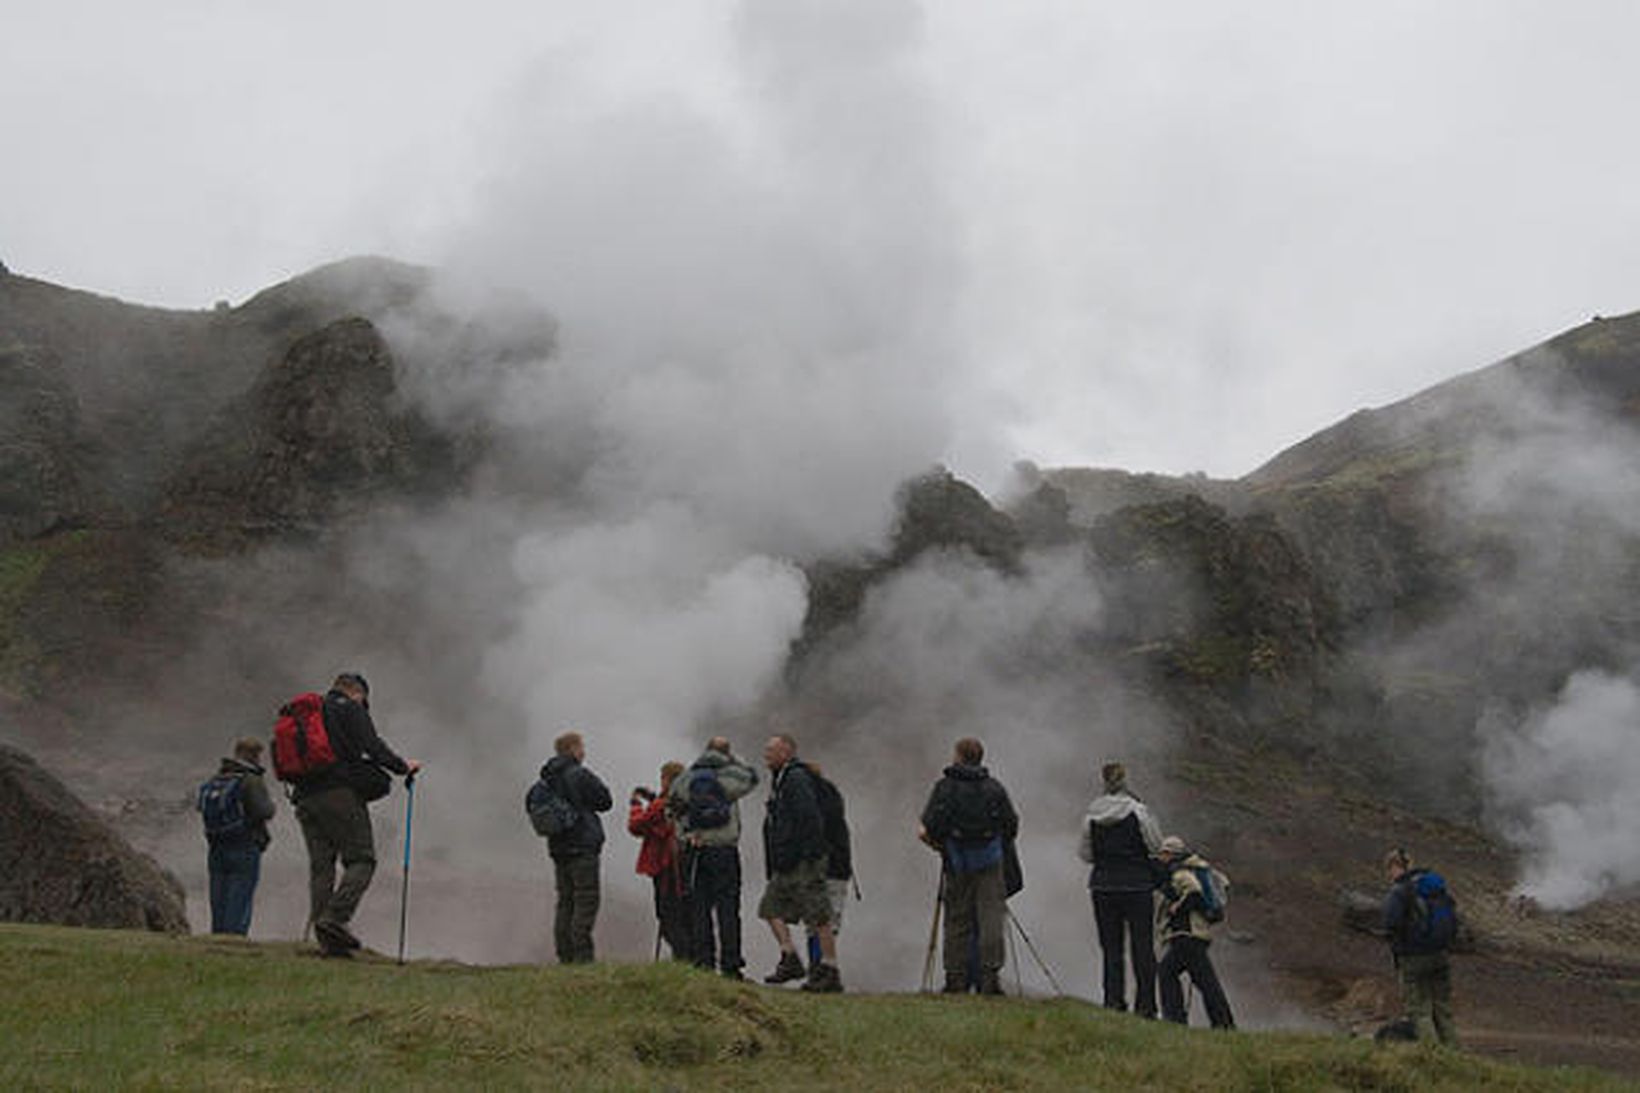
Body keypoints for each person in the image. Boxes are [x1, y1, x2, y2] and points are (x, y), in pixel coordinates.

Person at [293, 672, 420, 957]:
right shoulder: (349, 708)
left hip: (304, 798)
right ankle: (335, 919)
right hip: (339, 794)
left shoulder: (309, 713)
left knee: (322, 867)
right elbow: (372, 746)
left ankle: (327, 941)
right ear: (357, 693)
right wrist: (403, 767)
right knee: (362, 859)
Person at [918, 737, 1019, 995]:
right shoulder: (994, 788)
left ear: (959, 756)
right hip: (990, 861)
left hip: (957, 861)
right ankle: (990, 977)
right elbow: (1011, 825)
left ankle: (956, 978)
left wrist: (941, 845)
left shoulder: (945, 787)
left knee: (957, 919)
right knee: (991, 918)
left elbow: (931, 824)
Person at [669, 735, 759, 979]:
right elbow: (753, 778)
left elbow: (672, 810)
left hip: (696, 851)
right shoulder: (731, 777)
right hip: (724, 850)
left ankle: (703, 962)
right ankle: (731, 965)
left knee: (700, 908)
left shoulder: (685, 778)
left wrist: (686, 836)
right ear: (727, 754)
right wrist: (736, 761)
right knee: (728, 909)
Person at [1078, 760, 1164, 1016]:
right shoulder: (1138, 811)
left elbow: (1085, 854)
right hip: (1137, 885)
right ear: (1125, 781)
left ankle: (1113, 1001)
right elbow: (1156, 845)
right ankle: (1146, 1005)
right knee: (1142, 947)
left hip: (1103, 885)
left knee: (1111, 948)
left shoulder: (1091, 815)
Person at [758, 733, 841, 992]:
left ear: (787, 752)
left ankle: (830, 967)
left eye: (771, 750)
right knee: (770, 908)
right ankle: (790, 956)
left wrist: (806, 854)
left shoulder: (795, 779)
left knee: (818, 913)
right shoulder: (781, 780)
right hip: (787, 860)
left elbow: (808, 818)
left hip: (804, 860)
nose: (766, 755)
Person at [541, 731, 613, 963]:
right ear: (572, 749)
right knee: (585, 901)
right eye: (581, 747)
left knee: (565, 901)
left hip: (559, 847)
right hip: (582, 847)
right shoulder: (579, 775)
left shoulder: (547, 778)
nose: (584, 751)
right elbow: (605, 800)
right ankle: (583, 958)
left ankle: (565, 955)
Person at [196, 736, 276, 935]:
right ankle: (234, 938)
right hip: (244, 845)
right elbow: (264, 811)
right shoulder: (251, 780)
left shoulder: (217, 779)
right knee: (239, 896)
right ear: (255, 756)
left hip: (216, 845)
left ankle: (217, 934)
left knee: (219, 896)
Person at [1155, 836, 1235, 1029]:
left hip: (1186, 934)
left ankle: (1177, 1020)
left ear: (1171, 854)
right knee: (1201, 980)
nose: (1160, 858)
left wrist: (1176, 909)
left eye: (1163, 853)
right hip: (1196, 934)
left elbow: (1193, 892)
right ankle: (1222, 1023)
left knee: (1170, 973)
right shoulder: (1197, 869)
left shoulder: (1180, 873)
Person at [1383, 848, 1459, 1045]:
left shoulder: (1400, 891)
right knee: (1443, 1009)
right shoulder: (1433, 886)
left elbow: (1391, 924)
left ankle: (1432, 1058)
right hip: (1440, 955)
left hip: (1414, 959)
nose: (1388, 874)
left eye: (1389, 869)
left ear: (1396, 866)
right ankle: (1453, 1054)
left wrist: (1399, 947)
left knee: (1419, 1011)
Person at [628, 761, 691, 962]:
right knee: (681, 915)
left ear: (667, 779)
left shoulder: (662, 804)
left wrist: (636, 804)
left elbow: (636, 826)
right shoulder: (685, 801)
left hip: (664, 866)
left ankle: (683, 957)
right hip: (683, 865)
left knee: (666, 917)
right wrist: (653, 798)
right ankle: (688, 958)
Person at [804, 762, 853, 968]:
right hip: (839, 867)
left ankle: (819, 966)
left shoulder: (807, 800)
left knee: (815, 921)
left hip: (818, 866)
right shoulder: (833, 795)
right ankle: (825, 965)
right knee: (830, 920)